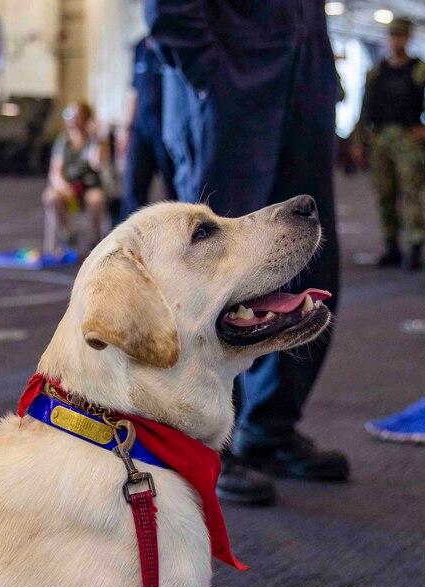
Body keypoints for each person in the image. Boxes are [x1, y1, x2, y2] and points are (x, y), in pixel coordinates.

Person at [146, 0, 349, 506]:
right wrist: (211, 72)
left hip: (304, 83)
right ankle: (207, 442)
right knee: (216, 275)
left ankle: (270, 428)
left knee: (311, 256)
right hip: (231, 89)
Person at [350, 18, 425, 271]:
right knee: (384, 194)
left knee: (411, 193)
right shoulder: (376, 72)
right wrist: (357, 141)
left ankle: (416, 246)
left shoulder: (422, 71)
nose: (395, 41)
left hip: (408, 138)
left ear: (408, 38)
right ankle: (392, 246)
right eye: (392, 36)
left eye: (400, 36)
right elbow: (363, 109)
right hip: (379, 139)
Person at [116, 36, 176, 223]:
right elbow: (134, 90)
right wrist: (126, 128)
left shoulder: (172, 42)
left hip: (167, 130)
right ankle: (130, 244)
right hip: (140, 130)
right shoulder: (140, 46)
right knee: (133, 190)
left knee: (173, 191)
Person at [41, 101, 108, 256]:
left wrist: (96, 138)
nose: (72, 120)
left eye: (76, 116)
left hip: (89, 186)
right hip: (69, 187)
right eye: (69, 115)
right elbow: (55, 172)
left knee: (96, 199)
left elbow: (96, 163)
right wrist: (64, 187)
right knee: (50, 197)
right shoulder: (63, 141)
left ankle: (95, 238)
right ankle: (68, 235)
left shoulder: (94, 141)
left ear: (86, 119)